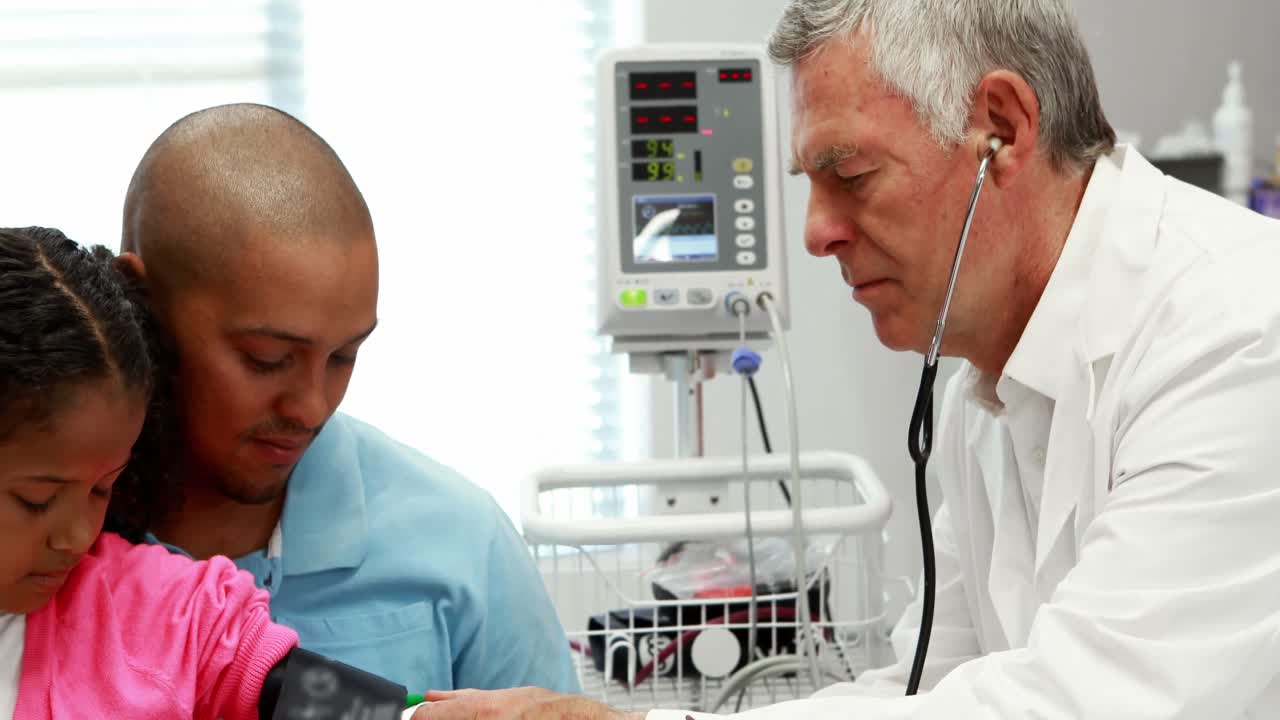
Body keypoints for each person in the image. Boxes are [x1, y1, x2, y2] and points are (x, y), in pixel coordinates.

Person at [415, 0, 1280, 718]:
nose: (815, 232)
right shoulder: (981, 380)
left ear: (1003, 129)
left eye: (852, 175)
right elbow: (924, 692)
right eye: (808, 185)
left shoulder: (1239, 334)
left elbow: (1088, 705)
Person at [116, 103, 579, 695]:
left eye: (343, 357)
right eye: (266, 359)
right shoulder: (43, 535)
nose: (311, 408)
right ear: (140, 301)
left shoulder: (462, 545)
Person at [0, 226, 297, 718]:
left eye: (102, 488)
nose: (76, 537)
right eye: (37, 499)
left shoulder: (168, 617)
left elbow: (308, 694)